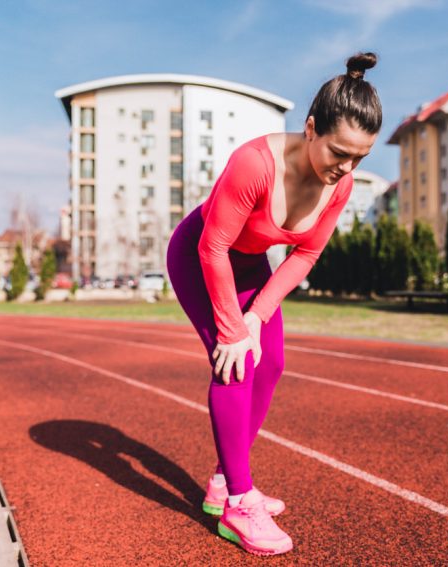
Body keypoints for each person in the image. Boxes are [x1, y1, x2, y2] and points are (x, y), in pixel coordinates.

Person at [166, 52, 382, 556]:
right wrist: (233, 329)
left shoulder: (340, 185)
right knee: (234, 364)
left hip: (250, 265)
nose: (346, 168)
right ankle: (241, 502)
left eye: (360, 158)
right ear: (310, 128)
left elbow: (305, 255)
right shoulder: (254, 164)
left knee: (272, 363)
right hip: (201, 256)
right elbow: (212, 247)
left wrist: (258, 315)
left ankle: (223, 482)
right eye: (338, 152)